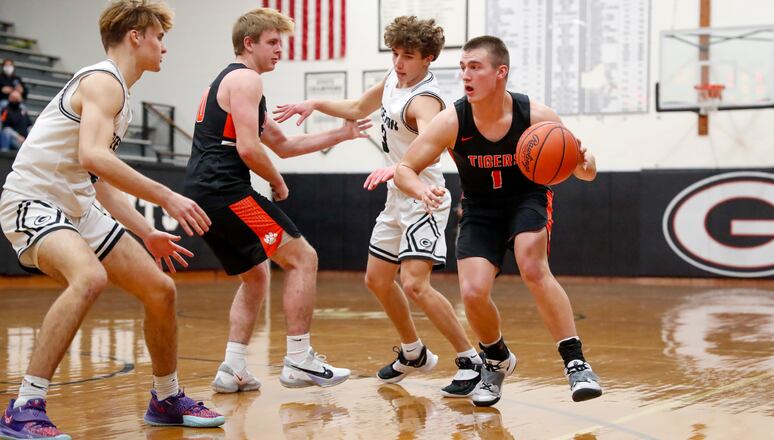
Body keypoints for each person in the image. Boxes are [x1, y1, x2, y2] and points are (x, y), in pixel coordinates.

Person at [0, 2, 224, 438]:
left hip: (78, 205)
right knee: (89, 277)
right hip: (34, 199)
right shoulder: (103, 82)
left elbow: (98, 179)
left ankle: (165, 396)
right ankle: (25, 406)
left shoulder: (122, 95)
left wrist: (148, 232)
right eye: (160, 37)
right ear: (136, 35)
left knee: (159, 289)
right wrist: (166, 195)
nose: (165, 47)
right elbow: (93, 157)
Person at [274, 16, 481, 397]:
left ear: (429, 59)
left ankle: (471, 360)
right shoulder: (393, 81)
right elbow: (356, 107)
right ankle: (414, 352)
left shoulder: (425, 102)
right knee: (376, 279)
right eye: (395, 53)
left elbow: (434, 149)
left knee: (415, 284)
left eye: (409, 56)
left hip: (424, 194)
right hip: (396, 193)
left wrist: (398, 169)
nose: (399, 62)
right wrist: (314, 102)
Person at [394, 35, 603, 407]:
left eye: (475, 67)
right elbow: (405, 168)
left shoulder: (536, 116)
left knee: (532, 264)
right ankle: (496, 359)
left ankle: (576, 363)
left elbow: (584, 172)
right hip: (479, 208)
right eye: (462, 68)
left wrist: (586, 163)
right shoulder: (452, 120)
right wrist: (420, 191)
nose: (465, 75)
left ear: (500, 72)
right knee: (473, 292)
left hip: (527, 199)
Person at [182, 7, 370, 394]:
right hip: (224, 190)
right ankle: (300, 359)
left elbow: (283, 145)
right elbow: (250, 150)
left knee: (256, 275)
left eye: (280, 43)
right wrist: (277, 181)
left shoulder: (231, 82)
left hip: (205, 192)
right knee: (304, 258)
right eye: (272, 42)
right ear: (248, 44)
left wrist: (341, 134)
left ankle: (232, 368)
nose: (279, 50)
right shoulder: (247, 80)